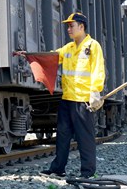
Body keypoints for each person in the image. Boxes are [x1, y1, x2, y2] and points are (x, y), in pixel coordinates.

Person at [21, 11, 105, 178]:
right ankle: (58, 168)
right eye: (68, 26)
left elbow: (97, 69)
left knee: (84, 138)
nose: (68, 29)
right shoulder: (68, 48)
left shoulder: (92, 46)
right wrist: (30, 56)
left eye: (71, 26)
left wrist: (95, 91)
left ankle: (87, 172)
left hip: (83, 101)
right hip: (67, 99)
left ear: (81, 27)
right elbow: (51, 58)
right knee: (63, 136)